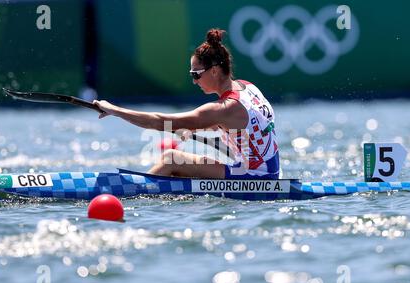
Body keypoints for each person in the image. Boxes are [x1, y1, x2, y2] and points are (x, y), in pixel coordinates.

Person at [93, 28, 279, 179]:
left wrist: (115, 110)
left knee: (171, 158)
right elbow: (241, 130)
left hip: (255, 178)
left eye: (195, 74)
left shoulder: (225, 108)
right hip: (267, 171)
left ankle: (129, 194)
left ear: (214, 71)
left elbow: (159, 121)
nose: (194, 81)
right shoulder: (247, 87)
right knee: (180, 163)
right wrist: (191, 128)